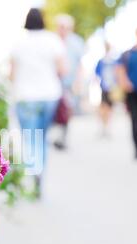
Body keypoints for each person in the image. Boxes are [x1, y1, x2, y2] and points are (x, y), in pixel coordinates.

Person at [11, 8, 66, 198]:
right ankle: (40, 173)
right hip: (48, 96)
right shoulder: (53, 40)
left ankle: (33, 171)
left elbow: (12, 75)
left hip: (25, 97)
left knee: (29, 139)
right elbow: (62, 69)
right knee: (41, 138)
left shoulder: (19, 43)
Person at [116, 27, 137, 160]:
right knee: (135, 118)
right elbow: (119, 69)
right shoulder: (127, 54)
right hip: (132, 92)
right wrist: (125, 82)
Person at [54, 14, 85, 151]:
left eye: (65, 27)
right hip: (53, 82)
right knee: (54, 109)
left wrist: (78, 82)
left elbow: (80, 65)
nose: (62, 30)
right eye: (60, 27)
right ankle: (55, 135)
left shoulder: (76, 42)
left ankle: (63, 137)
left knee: (67, 110)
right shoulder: (52, 41)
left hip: (69, 83)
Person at [95, 42, 118, 137]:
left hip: (111, 88)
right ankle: (104, 127)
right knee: (104, 108)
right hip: (104, 87)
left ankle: (107, 127)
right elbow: (97, 73)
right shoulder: (102, 61)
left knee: (109, 109)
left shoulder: (113, 61)